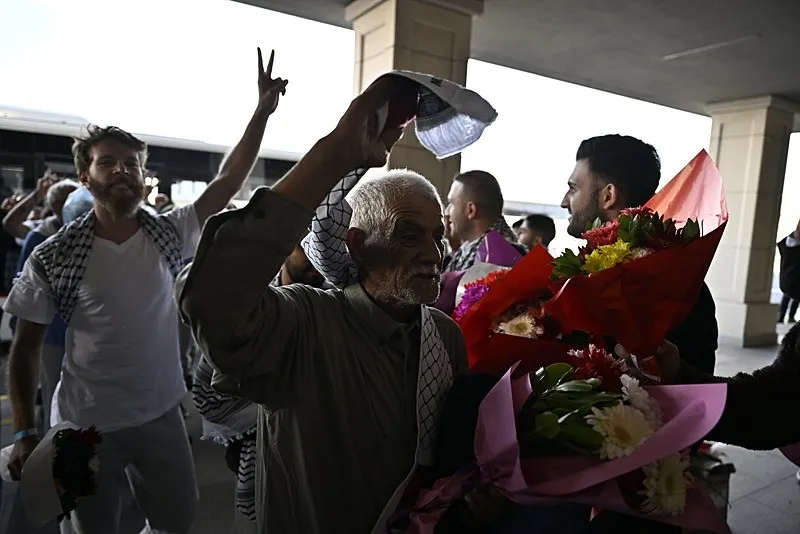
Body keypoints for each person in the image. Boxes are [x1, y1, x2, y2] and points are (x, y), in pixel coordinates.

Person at [4, 47, 288, 534]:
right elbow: (25, 347)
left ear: (142, 174)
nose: (121, 170)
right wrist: (27, 431)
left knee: (176, 517)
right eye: (107, 162)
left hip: (160, 414)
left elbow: (226, 181)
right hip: (83, 423)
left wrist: (261, 112)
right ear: (85, 176)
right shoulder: (54, 256)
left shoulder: (168, 232)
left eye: (131, 163)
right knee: (93, 527)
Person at [176, 77, 469, 533]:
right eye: (409, 235)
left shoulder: (443, 336)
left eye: (437, 236)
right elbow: (214, 300)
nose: (434, 254)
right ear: (358, 245)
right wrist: (336, 154)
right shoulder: (303, 323)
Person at [192, 244, 325, 534]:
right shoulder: (250, 309)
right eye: (305, 247)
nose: (315, 256)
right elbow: (208, 396)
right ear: (286, 247)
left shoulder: (336, 304)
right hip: (257, 462)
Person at [560, 134, 718, 374]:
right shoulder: (579, 272)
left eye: (573, 188)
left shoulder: (679, 287)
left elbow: (700, 385)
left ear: (609, 196)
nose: (564, 202)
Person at [444, 170, 524, 272]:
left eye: (452, 203)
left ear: (471, 210)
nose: (447, 212)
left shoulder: (497, 255)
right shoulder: (478, 247)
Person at [777, 218, 800, 324]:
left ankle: (783, 317)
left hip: (788, 281)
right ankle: (785, 316)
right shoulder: (794, 248)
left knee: (789, 296)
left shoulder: (786, 243)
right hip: (792, 281)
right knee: (791, 296)